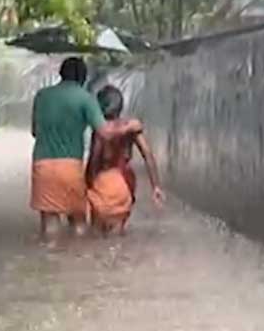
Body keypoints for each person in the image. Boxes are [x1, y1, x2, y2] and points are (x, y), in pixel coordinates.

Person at [30, 58, 141, 247]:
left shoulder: (42, 96)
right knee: (78, 222)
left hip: (42, 164)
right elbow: (105, 132)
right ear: (82, 77)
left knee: (50, 224)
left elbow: (34, 131)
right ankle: (79, 263)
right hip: (70, 167)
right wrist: (130, 126)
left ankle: (49, 261)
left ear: (61, 74)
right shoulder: (85, 98)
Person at [86, 85, 164, 237]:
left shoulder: (100, 130)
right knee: (117, 236)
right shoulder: (131, 127)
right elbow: (147, 154)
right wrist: (156, 186)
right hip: (125, 183)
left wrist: (87, 184)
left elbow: (94, 159)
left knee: (95, 237)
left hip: (103, 182)